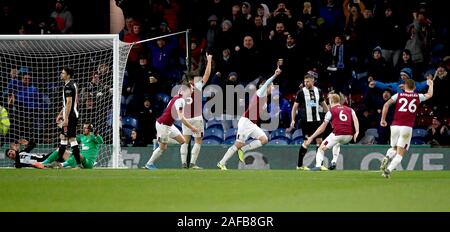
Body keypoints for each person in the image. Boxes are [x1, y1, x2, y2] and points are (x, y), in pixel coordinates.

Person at [217, 67, 282, 170]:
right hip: (245, 122)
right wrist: (275, 75)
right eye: (272, 86)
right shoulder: (260, 92)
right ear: (268, 87)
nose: (273, 88)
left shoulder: (265, 99)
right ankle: (221, 163)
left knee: (264, 139)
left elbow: (261, 114)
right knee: (237, 144)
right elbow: (267, 83)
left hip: (252, 124)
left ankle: (243, 149)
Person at [380, 79, 433, 178]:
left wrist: (383, 119)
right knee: (400, 153)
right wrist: (431, 84)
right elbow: (429, 94)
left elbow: (386, 104)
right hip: (407, 127)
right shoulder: (418, 96)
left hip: (395, 126)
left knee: (394, 148)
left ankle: (387, 157)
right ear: (415, 87)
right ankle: (388, 170)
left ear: (404, 86)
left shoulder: (398, 95)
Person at [143, 82, 198, 169]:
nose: (193, 90)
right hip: (163, 125)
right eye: (191, 88)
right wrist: (192, 128)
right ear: (186, 90)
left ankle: (161, 139)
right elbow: (181, 118)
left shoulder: (177, 97)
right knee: (163, 148)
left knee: (183, 141)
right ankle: (149, 164)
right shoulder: (180, 100)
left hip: (169, 125)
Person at [304, 94, 359, 171]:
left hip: (338, 134)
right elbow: (355, 119)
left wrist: (312, 137)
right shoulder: (350, 109)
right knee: (337, 144)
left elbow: (322, 128)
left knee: (321, 148)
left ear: (331, 101)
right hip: (349, 136)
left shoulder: (331, 111)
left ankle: (318, 165)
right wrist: (357, 131)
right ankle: (333, 161)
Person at [290, 71, 328, 170]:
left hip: (317, 121)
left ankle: (320, 164)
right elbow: (294, 108)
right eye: (305, 81)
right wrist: (293, 120)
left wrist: (329, 116)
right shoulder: (301, 92)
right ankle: (299, 165)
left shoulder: (318, 91)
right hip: (306, 122)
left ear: (313, 81)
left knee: (320, 142)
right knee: (307, 142)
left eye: (308, 81)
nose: (306, 83)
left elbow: (324, 105)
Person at [180, 53, 212, 169]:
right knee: (198, 141)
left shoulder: (181, 89)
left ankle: (184, 163)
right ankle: (192, 163)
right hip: (197, 118)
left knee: (185, 141)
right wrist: (209, 60)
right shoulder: (197, 86)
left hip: (185, 118)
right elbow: (207, 74)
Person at [55, 67, 82, 168]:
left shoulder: (68, 87)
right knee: (65, 138)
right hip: (73, 114)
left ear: (68, 75)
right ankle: (58, 162)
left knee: (71, 139)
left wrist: (65, 118)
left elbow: (69, 102)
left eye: (63, 73)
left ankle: (78, 164)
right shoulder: (73, 84)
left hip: (70, 116)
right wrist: (61, 113)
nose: (61, 74)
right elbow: (69, 103)